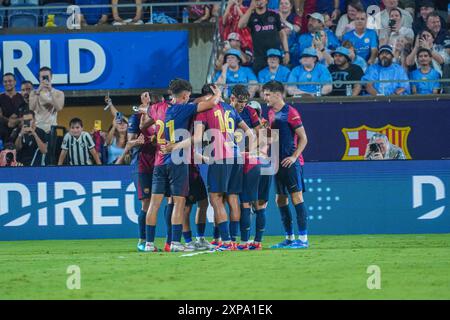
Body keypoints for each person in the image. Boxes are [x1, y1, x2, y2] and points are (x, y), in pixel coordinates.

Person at [144, 79, 221, 253]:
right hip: (177, 162)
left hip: (159, 162)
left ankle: (149, 243)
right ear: (185, 95)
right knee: (179, 202)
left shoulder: (157, 108)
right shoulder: (182, 109)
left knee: (154, 204)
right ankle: (175, 243)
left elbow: (145, 111)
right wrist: (217, 94)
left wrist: (144, 106)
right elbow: (211, 103)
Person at [191, 84, 252, 251]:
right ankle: (233, 240)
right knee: (232, 199)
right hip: (236, 157)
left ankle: (225, 242)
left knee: (216, 199)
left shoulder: (204, 111)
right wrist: (250, 152)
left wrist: (198, 154)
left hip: (219, 156)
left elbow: (197, 138)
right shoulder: (230, 109)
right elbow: (250, 132)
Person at [262, 80, 309, 249]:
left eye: (267, 94)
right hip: (276, 162)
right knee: (280, 200)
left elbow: (304, 138)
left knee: (297, 197)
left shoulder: (291, 112)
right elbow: (272, 137)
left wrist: (294, 157)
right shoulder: (270, 113)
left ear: (277, 94)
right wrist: (266, 130)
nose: (264, 97)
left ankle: (303, 240)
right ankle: (289, 238)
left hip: (290, 163)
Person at [238, 0, 290, 73]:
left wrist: (286, 52)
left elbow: (282, 34)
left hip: (275, 55)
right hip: (259, 58)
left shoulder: (274, 15)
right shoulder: (251, 17)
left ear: (266, 1)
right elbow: (240, 25)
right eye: (256, 0)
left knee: (277, 82)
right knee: (260, 83)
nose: (259, 1)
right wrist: (250, 8)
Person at [29, 67, 65, 134]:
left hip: (51, 129)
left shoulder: (59, 93)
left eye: (46, 77)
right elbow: (31, 108)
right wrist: (38, 91)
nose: (44, 79)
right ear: (39, 78)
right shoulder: (33, 93)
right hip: (37, 128)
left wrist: (51, 91)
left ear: (51, 77)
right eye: (42, 77)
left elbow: (59, 108)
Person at [0, 73, 26, 143]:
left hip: (20, 133)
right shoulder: (0, 97)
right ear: (3, 83)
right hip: (3, 134)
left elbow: (25, 116)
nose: (7, 83)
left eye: (10, 81)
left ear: (15, 82)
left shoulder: (22, 97)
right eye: (5, 81)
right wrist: (12, 121)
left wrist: (14, 122)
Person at [278, 0, 301, 65]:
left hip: (293, 48)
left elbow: (297, 29)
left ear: (291, 6)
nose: (283, 5)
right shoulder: (275, 16)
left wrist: (283, 20)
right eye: (281, 3)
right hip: (278, 47)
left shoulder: (295, 17)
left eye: (286, 3)